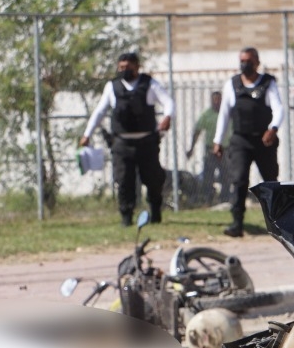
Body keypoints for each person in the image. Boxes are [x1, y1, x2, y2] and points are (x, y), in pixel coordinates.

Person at [81, 52, 175, 226]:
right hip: (122, 143)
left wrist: (167, 117)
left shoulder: (149, 84)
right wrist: (87, 134)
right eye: (121, 67)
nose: (124, 70)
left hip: (146, 142)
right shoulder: (112, 87)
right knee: (124, 181)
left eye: (128, 67)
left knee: (153, 179)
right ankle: (126, 217)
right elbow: (100, 111)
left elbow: (168, 102)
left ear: (137, 67)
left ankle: (155, 212)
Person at [212, 47, 284, 237]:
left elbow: (278, 109)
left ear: (257, 63)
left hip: (263, 140)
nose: (245, 64)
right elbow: (224, 115)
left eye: (249, 61)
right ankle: (237, 224)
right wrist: (218, 140)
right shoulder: (232, 84)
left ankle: (277, 224)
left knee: (270, 182)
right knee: (239, 180)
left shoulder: (268, 83)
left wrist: (273, 129)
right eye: (242, 60)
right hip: (240, 140)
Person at [186, 91, 230, 205]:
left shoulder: (227, 114)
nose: (216, 102)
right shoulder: (207, 114)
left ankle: (225, 199)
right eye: (214, 100)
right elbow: (198, 131)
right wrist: (191, 148)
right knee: (208, 176)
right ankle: (208, 199)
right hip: (210, 149)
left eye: (218, 100)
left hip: (225, 149)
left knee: (227, 175)